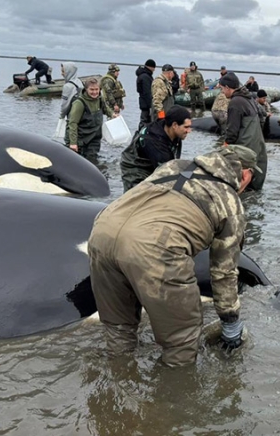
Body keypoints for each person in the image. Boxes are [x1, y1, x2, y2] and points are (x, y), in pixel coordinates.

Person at [88, 145, 261, 366]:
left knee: (118, 327)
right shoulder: (230, 202)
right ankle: (169, 397)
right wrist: (230, 320)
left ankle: (118, 380)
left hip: (102, 230)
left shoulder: (174, 165)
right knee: (182, 341)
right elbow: (224, 271)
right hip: (154, 246)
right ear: (245, 173)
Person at [120, 106, 191, 193]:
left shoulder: (172, 131)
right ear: (175, 125)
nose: (189, 131)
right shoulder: (155, 142)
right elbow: (167, 175)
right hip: (134, 168)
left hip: (153, 162)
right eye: (186, 127)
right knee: (138, 197)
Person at [220, 72, 268, 191]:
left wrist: (225, 147)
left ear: (227, 87)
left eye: (222, 89)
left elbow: (232, 131)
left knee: (240, 183)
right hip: (257, 146)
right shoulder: (250, 98)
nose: (222, 92)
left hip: (245, 148)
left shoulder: (235, 102)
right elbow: (262, 117)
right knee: (254, 185)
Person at [65, 78, 117, 163]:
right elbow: (72, 123)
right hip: (79, 139)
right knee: (77, 163)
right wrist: (73, 143)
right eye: (91, 90)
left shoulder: (99, 98)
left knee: (92, 161)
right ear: (86, 89)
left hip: (94, 137)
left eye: (96, 89)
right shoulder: (79, 103)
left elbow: (105, 108)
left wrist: (112, 114)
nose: (94, 92)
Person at [135, 59, 156, 130]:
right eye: (154, 68)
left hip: (143, 102)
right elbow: (147, 93)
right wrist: (151, 105)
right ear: (151, 67)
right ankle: (141, 135)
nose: (154, 70)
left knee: (144, 120)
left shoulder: (144, 75)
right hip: (146, 104)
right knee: (145, 121)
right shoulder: (145, 77)